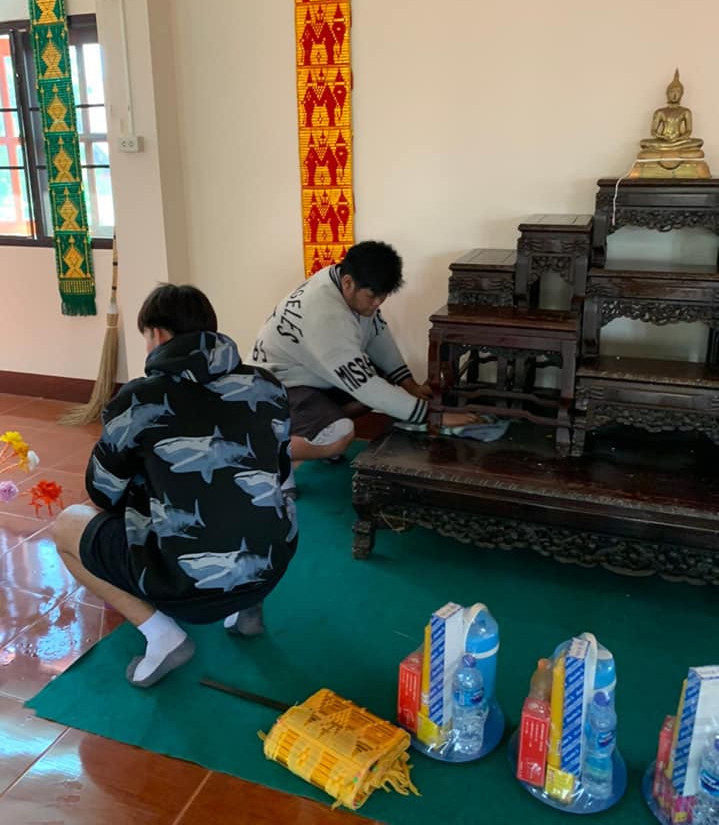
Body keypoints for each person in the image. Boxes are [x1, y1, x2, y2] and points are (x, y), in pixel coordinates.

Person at [53, 284, 297, 688]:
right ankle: (248, 610)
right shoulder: (267, 386)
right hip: (272, 564)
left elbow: (102, 492)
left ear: (158, 334)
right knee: (254, 497)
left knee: (66, 526)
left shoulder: (139, 398)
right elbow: (279, 467)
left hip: (183, 590)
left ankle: (163, 636)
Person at [253, 240, 476, 462]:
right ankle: (261, 452)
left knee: (383, 381)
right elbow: (365, 386)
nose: (377, 303)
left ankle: (317, 428)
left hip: (309, 376)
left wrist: (411, 386)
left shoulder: (341, 280)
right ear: (348, 283)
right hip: (275, 388)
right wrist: (435, 416)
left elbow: (377, 336)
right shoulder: (326, 316)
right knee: (340, 435)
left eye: (382, 296)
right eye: (372, 296)